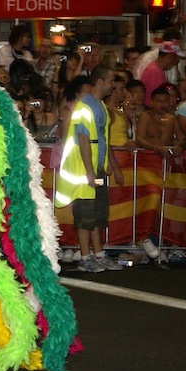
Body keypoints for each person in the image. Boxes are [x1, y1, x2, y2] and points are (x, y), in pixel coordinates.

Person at [55, 65, 124, 273]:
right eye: (112, 80)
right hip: (83, 172)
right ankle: (86, 257)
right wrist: (89, 172)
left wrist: (108, 164)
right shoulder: (84, 107)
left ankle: (99, 254)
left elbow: (103, 137)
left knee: (97, 213)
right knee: (85, 214)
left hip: (96, 168)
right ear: (100, 82)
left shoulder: (100, 106)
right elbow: (84, 140)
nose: (114, 85)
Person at [135, 85, 186, 159]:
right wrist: (157, 148)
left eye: (166, 101)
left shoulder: (172, 118)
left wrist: (180, 147)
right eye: (159, 101)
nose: (163, 104)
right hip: (148, 158)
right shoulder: (146, 116)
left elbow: (183, 138)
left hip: (167, 159)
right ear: (151, 103)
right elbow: (139, 139)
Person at [140, 40, 186, 106]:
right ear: (170, 56)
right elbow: (156, 99)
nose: (175, 63)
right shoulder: (155, 71)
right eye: (176, 60)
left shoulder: (154, 69)